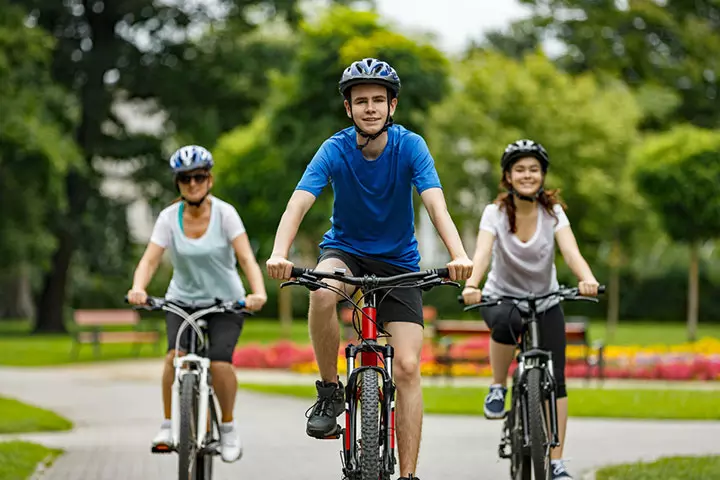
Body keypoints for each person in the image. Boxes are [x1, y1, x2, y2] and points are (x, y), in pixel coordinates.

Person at [266, 58, 473, 480]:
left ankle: (409, 475)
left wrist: (459, 254)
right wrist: (279, 252)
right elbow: (299, 201)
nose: (371, 108)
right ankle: (328, 392)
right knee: (322, 291)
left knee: (409, 368)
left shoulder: (410, 146)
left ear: (392, 105)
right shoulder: (334, 148)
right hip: (346, 251)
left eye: (379, 100)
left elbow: (435, 202)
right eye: (361, 101)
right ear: (348, 109)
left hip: (399, 262)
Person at [461, 139, 600, 480]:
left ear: (542, 175)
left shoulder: (552, 213)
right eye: (519, 169)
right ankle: (498, 386)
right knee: (507, 322)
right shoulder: (494, 213)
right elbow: (481, 253)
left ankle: (556, 461)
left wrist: (588, 279)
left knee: (560, 381)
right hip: (501, 298)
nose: (527, 175)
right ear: (508, 176)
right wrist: (471, 284)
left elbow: (571, 252)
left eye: (533, 169)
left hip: (545, 300)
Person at [126, 145, 267, 463]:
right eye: (185, 178)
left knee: (219, 364)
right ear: (177, 183)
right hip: (182, 301)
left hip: (226, 303)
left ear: (210, 180)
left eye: (199, 177)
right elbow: (150, 260)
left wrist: (257, 293)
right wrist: (138, 287)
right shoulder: (167, 218)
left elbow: (246, 257)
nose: (193, 184)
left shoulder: (225, 214)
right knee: (173, 358)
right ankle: (166, 426)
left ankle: (228, 427)